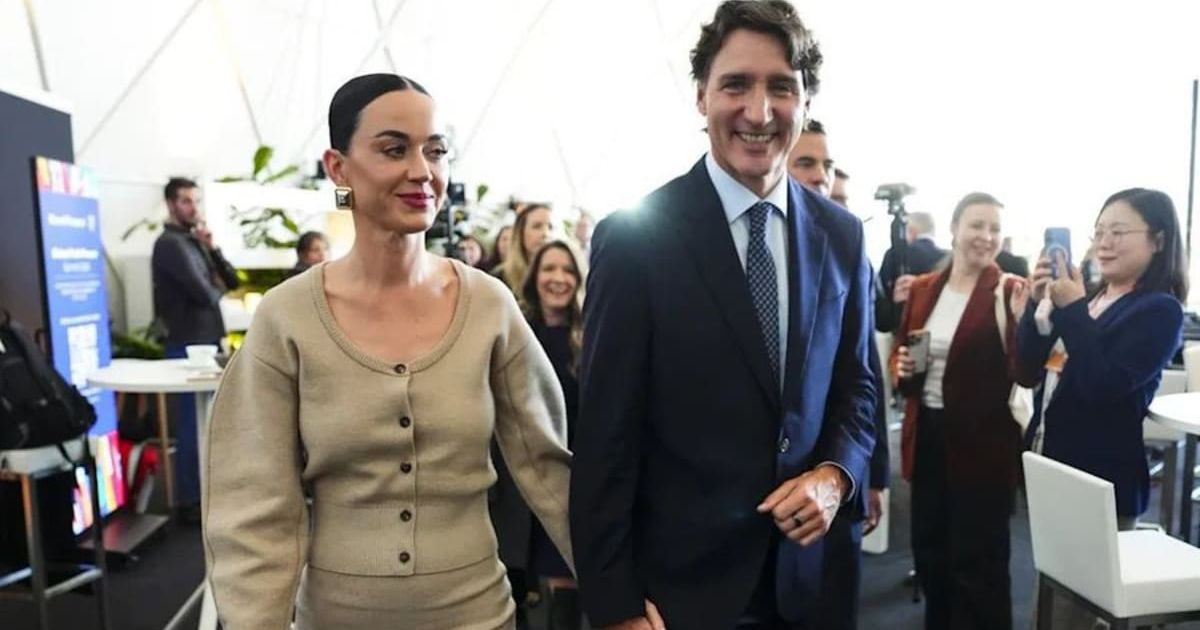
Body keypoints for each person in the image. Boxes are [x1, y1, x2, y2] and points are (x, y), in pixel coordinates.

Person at [202, 73, 573, 630]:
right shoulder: (288, 318)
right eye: (394, 149)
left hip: (478, 616)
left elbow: (550, 468)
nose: (422, 171)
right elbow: (253, 509)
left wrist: (620, 593)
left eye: (436, 150)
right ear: (338, 168)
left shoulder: (488, 305)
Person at [571, 2, 877, 629]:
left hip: (812, 582)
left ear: (806, 99)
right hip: (682, 595)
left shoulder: (841, 235)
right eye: (736, 84)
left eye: (781, 88)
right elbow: (605, 436)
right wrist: (615, 605)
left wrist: (834, 476)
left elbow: (859, 388)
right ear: (701, 96)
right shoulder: (635, 239)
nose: (759, 112)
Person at [1016, 188, 1188, 627]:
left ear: (1159, 240)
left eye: (1118, 231)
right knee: (1049, 600)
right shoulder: (1090, 297)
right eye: (1099, 231)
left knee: (1076, 614)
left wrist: (1072, 309)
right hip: (1055, 464)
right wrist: (1039, 305)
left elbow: (1102, 385)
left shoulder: (1159, 310)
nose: (1104, 242)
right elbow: (1026, 369)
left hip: (1101, 480)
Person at [891, 192, 1034, 630]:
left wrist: (1023, 324)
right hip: (928, 437)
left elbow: (1025, 374)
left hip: (984, 448)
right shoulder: (922, 289)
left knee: (979, 568)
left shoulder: (1009, 290)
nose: (985, 237)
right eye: (976, 225)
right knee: (931, 555)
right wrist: (902, 367)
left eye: (993, 228)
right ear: (954, 229)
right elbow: (903, 357)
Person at [787, 120, 889, 629]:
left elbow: (864, 373)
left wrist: (866, 474)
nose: (820, 177)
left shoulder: (850, 251)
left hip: (838, 482)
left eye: (826, 166)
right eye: (807, 163)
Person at [151, 176, 240, 513]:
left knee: (209, 423)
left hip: (206, 342)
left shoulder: (194, 241)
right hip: (186, 346)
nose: (194, 208)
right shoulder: (170, 245)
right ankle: (191, 501)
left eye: (196, 201)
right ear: (172, 204)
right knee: (191, 426)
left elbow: (229, 281)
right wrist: (215, 286)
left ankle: (205, 496)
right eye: (186, 201)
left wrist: (212, 248)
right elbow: (205, 293)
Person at [519, 239, 587, 630]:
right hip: (525, 476)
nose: (557, 278)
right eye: (549, 269)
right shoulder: (518, 332)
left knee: (567, 573)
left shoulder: (594, 333)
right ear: (535, 277)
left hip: (576, 473)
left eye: (567, 270)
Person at [876, 211, 946, 332]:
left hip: (903, 329)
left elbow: (883, 299)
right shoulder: (949, 258)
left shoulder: (895, 255)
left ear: (912, 231)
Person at [498, 203, 554, 292]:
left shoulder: (560, 278)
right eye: (537, 226)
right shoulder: (500, 278)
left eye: (550, 227)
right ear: (520, 233)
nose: (545, 234)